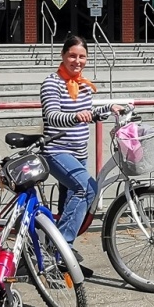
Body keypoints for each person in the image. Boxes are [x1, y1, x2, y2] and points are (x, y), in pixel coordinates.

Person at [40, 36, 102, 272]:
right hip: (56, 151)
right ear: (63, 56)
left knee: (68, 203)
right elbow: (53, 115)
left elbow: (88, 112)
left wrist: (110, 109)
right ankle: (62, 253)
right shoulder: (51, 83)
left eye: (82, 56)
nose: (77, 61)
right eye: (72, 56)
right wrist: (76, 117)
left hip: (79, 153)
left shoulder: (84, 85)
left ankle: (53, 250)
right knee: (86, 188)